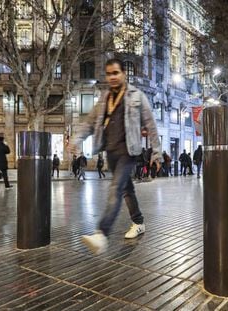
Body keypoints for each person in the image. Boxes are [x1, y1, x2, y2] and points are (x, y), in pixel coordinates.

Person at [69, 58, 161, 255]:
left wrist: (157, 152)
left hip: (129, 152)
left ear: (123, 74)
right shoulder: (104, 98)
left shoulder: (137, 96)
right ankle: (138, 222)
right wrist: (76, 139)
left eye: (116, 73)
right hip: (110, 152)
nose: (112, 77)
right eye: (109, 73)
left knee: (116, 188)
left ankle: (102, 233)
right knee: (126, 190)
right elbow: (90, 123)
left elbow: (151, 125)